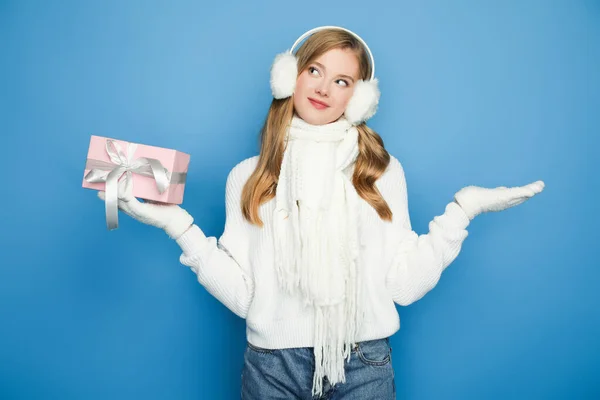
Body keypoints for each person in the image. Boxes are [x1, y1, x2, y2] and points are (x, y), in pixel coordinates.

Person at [97, 26, 545, 400]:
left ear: (359, 98)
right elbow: (245, 297)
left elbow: (405, 285)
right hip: (271, 365)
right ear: (288, 77)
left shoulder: (380, 172)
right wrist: (180, 227)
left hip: (364, 360)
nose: (324, 88)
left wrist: (462, 212)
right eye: (314, 70)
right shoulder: (247, 177)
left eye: (342, 81)